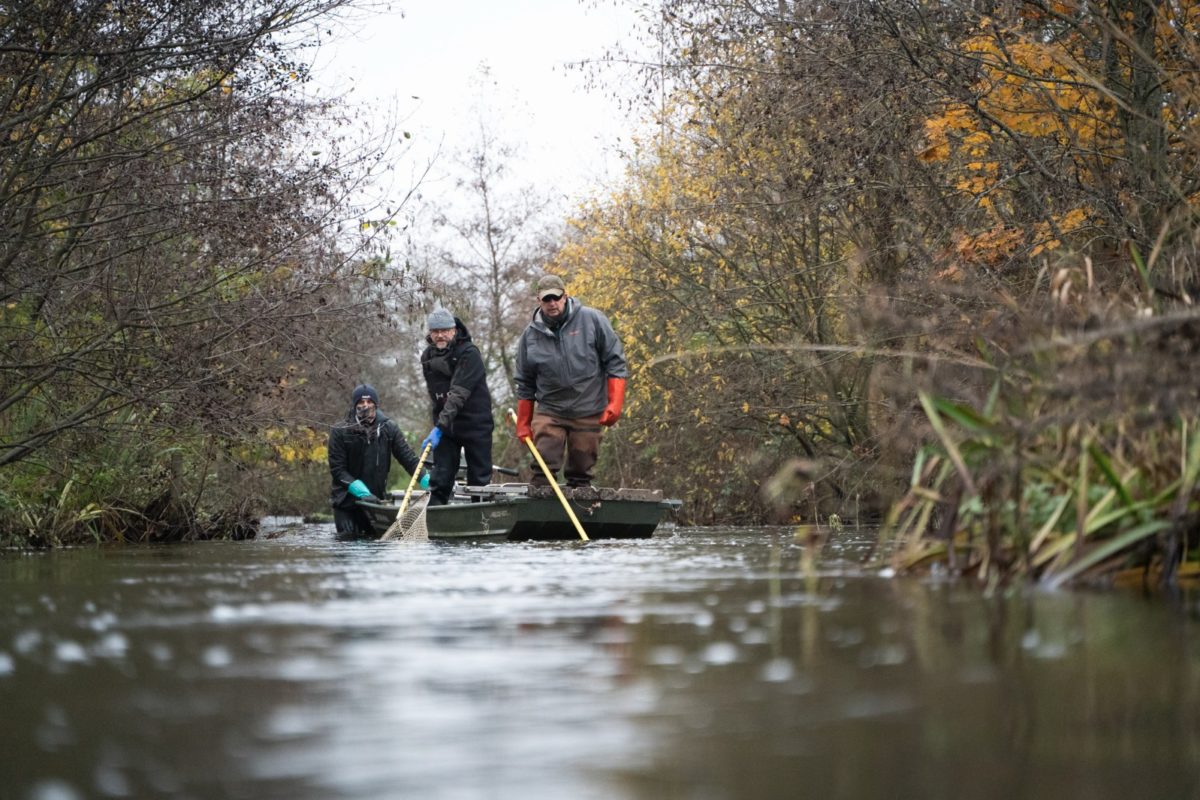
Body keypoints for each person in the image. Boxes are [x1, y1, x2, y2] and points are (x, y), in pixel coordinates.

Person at [514, 274, 627, 490]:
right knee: (544, 463)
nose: (552, 303)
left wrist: (615, 403)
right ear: (539, 301)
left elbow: (615, 361)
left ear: (566, 296)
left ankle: (581, 507)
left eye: (556, 298)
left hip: (588, 407)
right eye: (547, 299)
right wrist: (524, 422)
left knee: (582, 469)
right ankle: (540, 510)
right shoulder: (529, 336)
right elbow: (525, 382)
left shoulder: (593, 320)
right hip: (550, 410)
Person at [419, 308, 495, 505]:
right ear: (430, 333)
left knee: (479, 480)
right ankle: (434, 517)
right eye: (435, 331)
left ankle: (481, 519)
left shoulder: (470, 354)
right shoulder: (427, 357)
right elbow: (435, 396)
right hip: (447, 428)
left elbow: (458, 394)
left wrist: (439, 427)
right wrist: (438, 425)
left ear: (454, 330)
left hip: (475, 424)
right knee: (440, 477)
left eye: (445, 330)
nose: (440, 335)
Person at [327, 383, 423, 535]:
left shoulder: (389, 429)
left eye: (370, 402)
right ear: (355, 405)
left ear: (376, 404)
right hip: (346, 505)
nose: (366, 406)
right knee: (348, 542)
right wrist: (362, 493)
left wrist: (428, 480)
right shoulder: (340, 431)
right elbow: (338, 470)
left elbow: (409, 459)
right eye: (361, 402)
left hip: (376, 505)